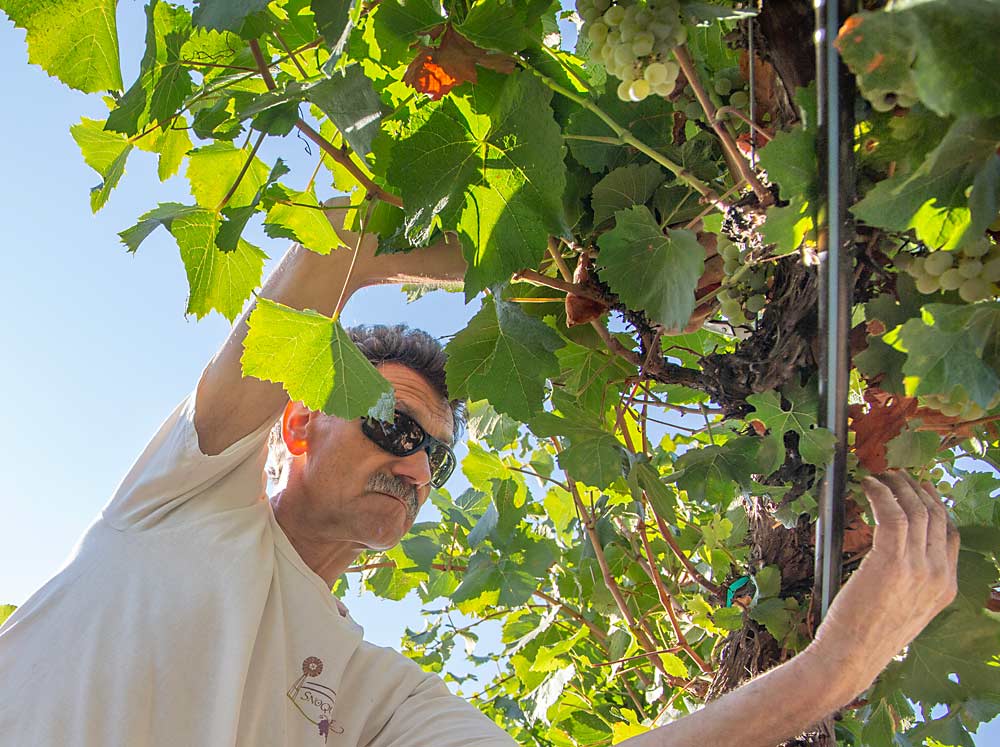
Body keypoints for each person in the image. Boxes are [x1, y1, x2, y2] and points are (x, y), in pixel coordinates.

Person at [0, 209, 959, 747]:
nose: (416, 463)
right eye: (393, 424)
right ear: (297, 418)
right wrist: (559, 273)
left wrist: (835, 670)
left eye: (437, 454)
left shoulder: (373, 693)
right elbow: (341, 240)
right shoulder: (186, 496)